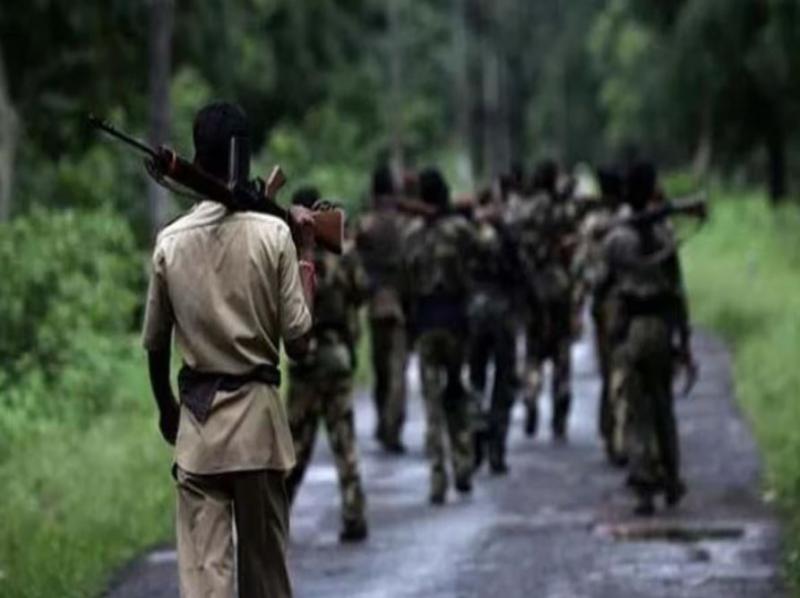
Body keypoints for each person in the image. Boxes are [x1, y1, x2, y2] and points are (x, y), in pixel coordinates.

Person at [142, 102, 316, 598]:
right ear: (245, 157)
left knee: (204, 585)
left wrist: (167, 408)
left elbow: (155, 344)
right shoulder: (275, 234)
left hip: (199, 430)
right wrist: (307, 253)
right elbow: (299, 343)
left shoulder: (170, 242)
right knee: (266, 580)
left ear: (197, 157)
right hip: (259, 432)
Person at [602, 161, 695, 515]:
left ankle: (643, 482)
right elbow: (677, 291)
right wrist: (684, 340)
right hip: (661, 325)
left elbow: (604, 283)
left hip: (632, 326)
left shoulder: (616, 237)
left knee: (636, 408)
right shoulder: (665, 233)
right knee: (663, 406)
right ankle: (671, 478)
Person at [285, 187, 370, 543]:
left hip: (305, 358)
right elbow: (361, 292)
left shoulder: (290, 254)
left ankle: (276, 521)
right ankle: (354, 514)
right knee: (344, 440)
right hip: (336, 354)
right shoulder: (342, 254)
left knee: (294, 446)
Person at [404, 167, 477, 504]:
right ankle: (463, 464)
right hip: (455, 321)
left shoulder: (412, 235)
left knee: (431, 405)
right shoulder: (459, 230)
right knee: (456, 394)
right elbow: (484, 250)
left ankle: (438, 477)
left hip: (425, 323)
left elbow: (405, 281)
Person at [515, 160, 576, 441]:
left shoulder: (522, 210)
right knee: (561, 348)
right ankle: (560, 402)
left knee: (533, 348)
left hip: (532, 286)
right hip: (558, 285)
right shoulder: (561, 210)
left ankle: (531, 392)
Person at [571, 165, 628, 463]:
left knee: (610, 370)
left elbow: (581, 268)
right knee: (623, 369)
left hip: (605, 305)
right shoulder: (633, 218)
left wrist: (577, 306)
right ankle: (620, 434)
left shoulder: (593, 225)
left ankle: (612, 432)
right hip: (629, 303)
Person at [355, 164, 409, 453]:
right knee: (397, 368)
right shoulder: (405, 224)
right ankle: (392, 425)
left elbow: (356, 263)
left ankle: (381, 420)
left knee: (381, 369)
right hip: (401, 303)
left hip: (376, 303)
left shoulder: (366, 225)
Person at [468, 188, 521, 474]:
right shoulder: (507, 233)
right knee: (503, 381)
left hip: (474, 311)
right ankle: (496, 448)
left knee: (475, 379)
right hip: (501, 310)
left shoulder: (467, 231)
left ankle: (476, 441)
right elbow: (519, 271)